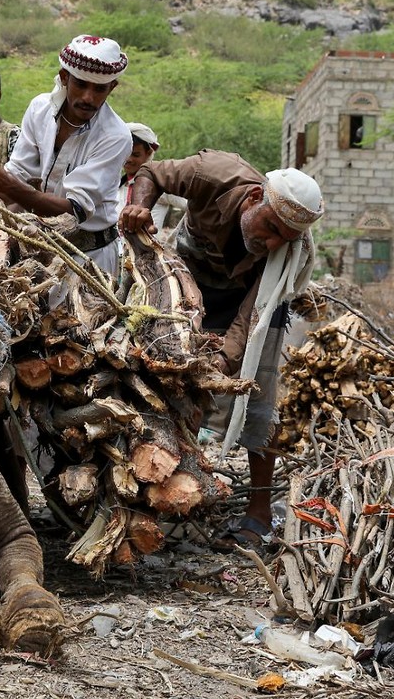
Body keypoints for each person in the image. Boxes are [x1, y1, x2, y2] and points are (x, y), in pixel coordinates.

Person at [119, 150, 324, 551]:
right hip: (190, 278)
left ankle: (260, 514)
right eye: (270, 227)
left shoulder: (281, 256)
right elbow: (150, 172)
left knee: (258, 400)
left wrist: (220, 363)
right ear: (253, 200)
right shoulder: (214, 173)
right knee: (174, 392)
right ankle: (175, 502)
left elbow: (250, 320)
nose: (272, 242)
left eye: (285, 236)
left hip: (259, 299)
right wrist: (139, 208)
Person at [0, 34, 131, 277]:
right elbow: (18, 173)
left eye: (100, 89)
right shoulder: (39, 109)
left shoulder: (115, 136)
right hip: (39, 249)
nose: (88, 98)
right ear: (64, 77)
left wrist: (6, 184)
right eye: (81, 84)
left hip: (88, 261)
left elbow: (73, 210)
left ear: (112, 87)